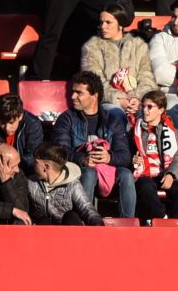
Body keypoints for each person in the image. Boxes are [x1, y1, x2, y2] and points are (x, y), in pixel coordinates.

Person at [57, 72, 137, 221]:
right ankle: (84, 222)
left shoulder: (112, 120)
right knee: (89, 173)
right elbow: (59, 152)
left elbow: (125, 156)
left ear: (94, 95)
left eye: (79, 93)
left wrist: (109, 157)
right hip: (79, 170)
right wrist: (83, 159)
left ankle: (128, 225)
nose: (73, 96)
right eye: (73, 92)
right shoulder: (66, 119)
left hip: (107, 170)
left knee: (126, 174)